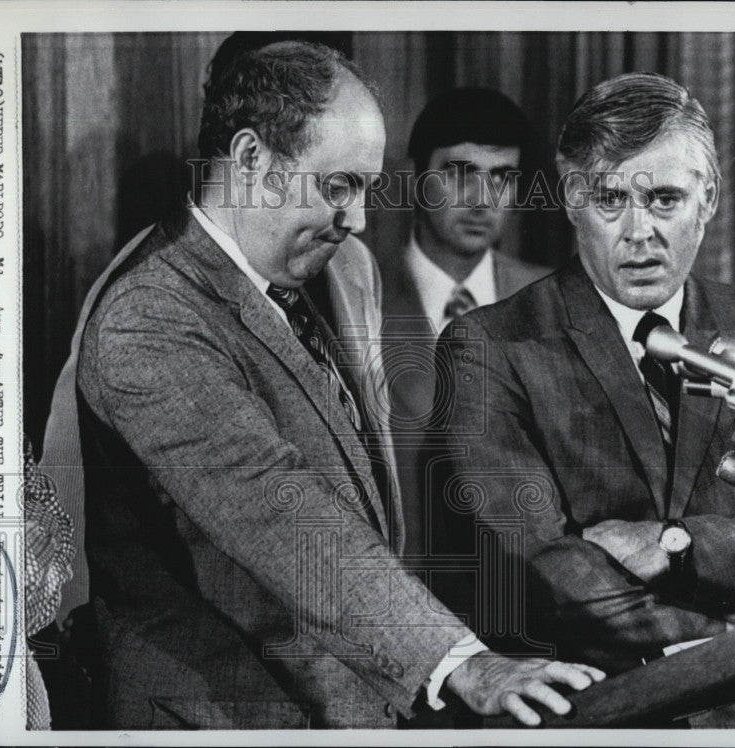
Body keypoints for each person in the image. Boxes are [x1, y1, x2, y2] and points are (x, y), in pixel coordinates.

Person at [73, 39, 602, 730]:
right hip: (224, 714)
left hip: (351, 695)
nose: (358, 219)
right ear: (253, 161)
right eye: (339, 186)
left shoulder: (335, 269)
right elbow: (278, 510)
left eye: (365, 189)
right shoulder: (148, 321)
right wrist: (460, 662)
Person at [429, 72, 735, 682]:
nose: (640, 232)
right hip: (599, 710)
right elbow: (533, 565)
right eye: (611, 201)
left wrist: (677, 545)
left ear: (709, 198)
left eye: (665, 198)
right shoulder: (489, 346)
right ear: (572, 202)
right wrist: (723, 644)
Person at [381, 88, 550, 558]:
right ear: (416, 178)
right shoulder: (357, 302)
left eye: (502, 177)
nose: (482, 200)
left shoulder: (554, 301)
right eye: (459, 174)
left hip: (532, 596)